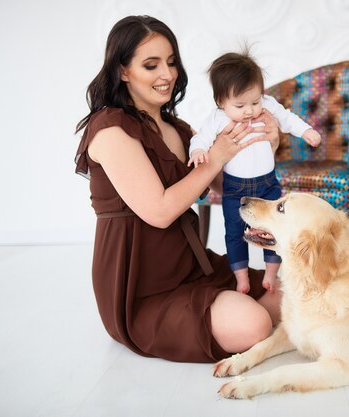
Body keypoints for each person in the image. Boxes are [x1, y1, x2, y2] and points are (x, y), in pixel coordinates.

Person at [74, 15, 282, 363]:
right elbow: (160, 211)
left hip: (191, 266)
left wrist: (266, 147)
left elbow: (224, 187)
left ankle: (237, 306)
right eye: (151, 64)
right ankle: (235, 315)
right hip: (142, 287)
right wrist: (216, 158)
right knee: (253, 324)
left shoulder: (179, 129)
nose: (167, 74)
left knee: (295, 294)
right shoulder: (110, 129)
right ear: (123, 70)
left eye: (171, 62)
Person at [188, 51, 321, 294]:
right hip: (235, 188)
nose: (249, 111)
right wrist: (197, 151)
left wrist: (306, 131)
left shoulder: (268, 107)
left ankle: (271, 273)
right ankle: (241, 276)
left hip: (268, 184)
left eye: (255, 101)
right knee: (235, 232)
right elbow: (200, 138)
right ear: (221, 102)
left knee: (274, 228)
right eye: (240, 105)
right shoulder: (217, 119)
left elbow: (288, 119)